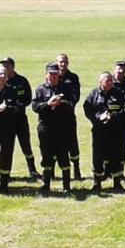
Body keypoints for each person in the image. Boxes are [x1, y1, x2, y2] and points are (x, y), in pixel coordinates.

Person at [34, 63, 79, 193]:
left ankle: (66, 186)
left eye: (55, 74)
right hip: (46, 128)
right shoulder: (40, 89)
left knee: (63, 156)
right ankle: (46, 184)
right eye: (51, 74)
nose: (53, 77)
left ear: (59, 75)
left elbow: (71, 104)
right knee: (46, 156)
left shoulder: (66, 88)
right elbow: (35, 107)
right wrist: (48, 104)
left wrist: (61, 103)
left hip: (62, 127)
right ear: (46, 75)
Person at [86, 72, 125, 192]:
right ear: (100, 82)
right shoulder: (94, 94)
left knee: (115, 155)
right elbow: (88, 109)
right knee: (98, 156)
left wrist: (113, 116)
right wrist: (98, 117)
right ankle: (97, 183)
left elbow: (124, 109)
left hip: (115, 131)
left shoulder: (118, 94)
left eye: (111, 80)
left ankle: (117, 183)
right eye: (107, 81)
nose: (110, 83)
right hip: (99, 131)